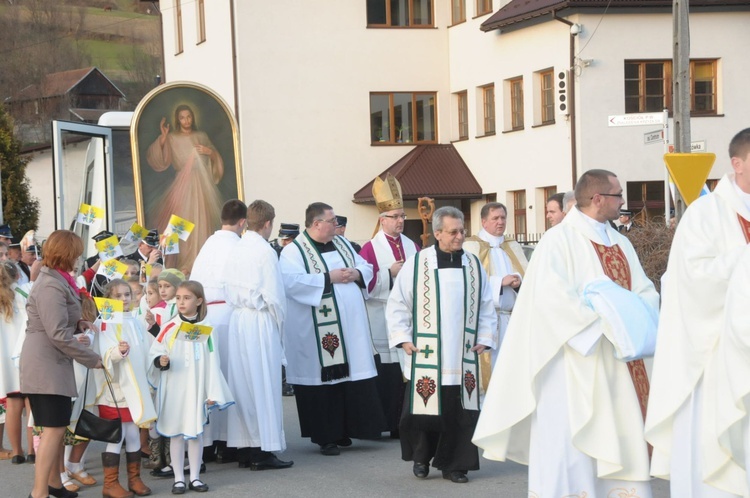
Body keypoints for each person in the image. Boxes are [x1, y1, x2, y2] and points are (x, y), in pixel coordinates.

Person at [473, 169, 658, 497]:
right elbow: (551, 300)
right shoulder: (558, 241)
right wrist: (606, 322)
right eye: (618, 196)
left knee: (621, 434)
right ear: (598, 198)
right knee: (574, 444)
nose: (623, 203)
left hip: (619, 361)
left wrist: (633, 320)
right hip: (574, 364)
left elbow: (644, 291)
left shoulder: (621, 242)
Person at [645, 128, 750, 497]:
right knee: (719, 456)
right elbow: (692, 281)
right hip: (715, 356)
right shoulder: (707, 214)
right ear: (736, 164)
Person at [387, 206, 497, 484]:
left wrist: (485, 336)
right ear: (437, 233)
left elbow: (485, 304)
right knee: (425, 410)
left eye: (461, 231)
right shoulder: (418, 262)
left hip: (463, 351)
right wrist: (402, 336)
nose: (459, 237)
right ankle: (422, 458)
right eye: (453, 232)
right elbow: (398, 302)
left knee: (460, 412)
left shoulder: (473, 264)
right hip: (427, 351)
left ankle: (455, 464)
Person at [279, 202, 386, 456]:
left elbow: (366, 266)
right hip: (316, 332)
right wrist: (329, 278)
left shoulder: (342, 243)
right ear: (316, 224)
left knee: (349, 378)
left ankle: (346, 430)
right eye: (332, 220)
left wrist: (356, 273)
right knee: (324, 382)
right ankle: (326, 436)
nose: (336, 224)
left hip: (350, 330)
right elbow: (290, 283)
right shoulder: (294, 251)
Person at [19, 230, 103, 498]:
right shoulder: (51, 284)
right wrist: (92, 359)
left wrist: (80, 321)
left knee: (55, 427)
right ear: (66, 254)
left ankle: (54, 484)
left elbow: (60, 319)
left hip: (51, 363)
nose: (79, 259)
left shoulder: (58, 279)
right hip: (46, 365)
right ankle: (39, 492)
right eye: (76, 253)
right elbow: (56, 333)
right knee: (53, 430)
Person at [224, 200, 293, 470]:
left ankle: (245, 447)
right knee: (264, 384)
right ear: (267, 224)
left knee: (243, 386)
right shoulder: (265, 251)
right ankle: (263, 451)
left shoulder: (238, 247)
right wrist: (280, 330)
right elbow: (275, 297)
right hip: (260, 320)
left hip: (238, 319)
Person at [148, 281, 234, 494]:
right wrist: (161, 360)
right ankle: (178, 478)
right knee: (176, 434)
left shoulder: (207, 330)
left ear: (199, 301)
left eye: (187, 298)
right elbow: (154, 351)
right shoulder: (169, 327)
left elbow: (214, 362)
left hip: (197, 389)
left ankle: (195, 477)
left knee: (196, 434)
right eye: (178, 298)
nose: (181, 302)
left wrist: (212, 391)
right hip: (175, 387)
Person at [358, 173, 419, 438]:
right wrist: (388, 273)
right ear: (382, 220)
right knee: (388, 372)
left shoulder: (413, 245)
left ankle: (406, 422)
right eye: (394, 217)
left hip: (407, 316)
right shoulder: (370, 248)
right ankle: (387, 423)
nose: (400, 221)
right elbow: (364, 286)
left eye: (402, 216)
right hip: (381, 315)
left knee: (408, 370)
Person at [190, 199, 247, 465]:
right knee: (230, 380)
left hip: (205, 317)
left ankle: (208, 444)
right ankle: (229, 443)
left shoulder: (207, 245)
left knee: (210, 379)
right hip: (230, 317)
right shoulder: (240, 247)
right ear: (243, 222)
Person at [91, 279, 156, 498]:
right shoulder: (105, 321)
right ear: (109, 298)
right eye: (118, 296)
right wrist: (118, 352)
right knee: (116, 436)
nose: (124, 299)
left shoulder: (136, 321)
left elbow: (145, 349)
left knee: (133, 433)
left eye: (127, 294)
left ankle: (134, 479)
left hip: (136, 387)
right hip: (117, 389)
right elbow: (104, 352)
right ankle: (110, 484)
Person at [146, 105, 224, 271]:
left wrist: (209, 152)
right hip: (183, 185)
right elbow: (159, 159)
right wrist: (163, 137)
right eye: (182, 117)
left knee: (202, 220)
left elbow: (215, 157)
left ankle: (203, 261)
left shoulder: (201, 136)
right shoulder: (172, 138)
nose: (186, 120)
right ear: (177, 119)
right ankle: (185, 264)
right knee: (183, 221)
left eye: (189, 117)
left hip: (202, 185)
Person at [463, 202, 526, 375]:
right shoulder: (471, 247)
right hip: (485, 321)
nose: (500, 222)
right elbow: (469, 282)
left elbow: (527, 275)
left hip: (510, 319)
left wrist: (518, 281)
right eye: (495, 218)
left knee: (512, 369)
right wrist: (499, 283)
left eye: (503, 218)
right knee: (489, 372)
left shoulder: (512, 245)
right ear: (484, 222)